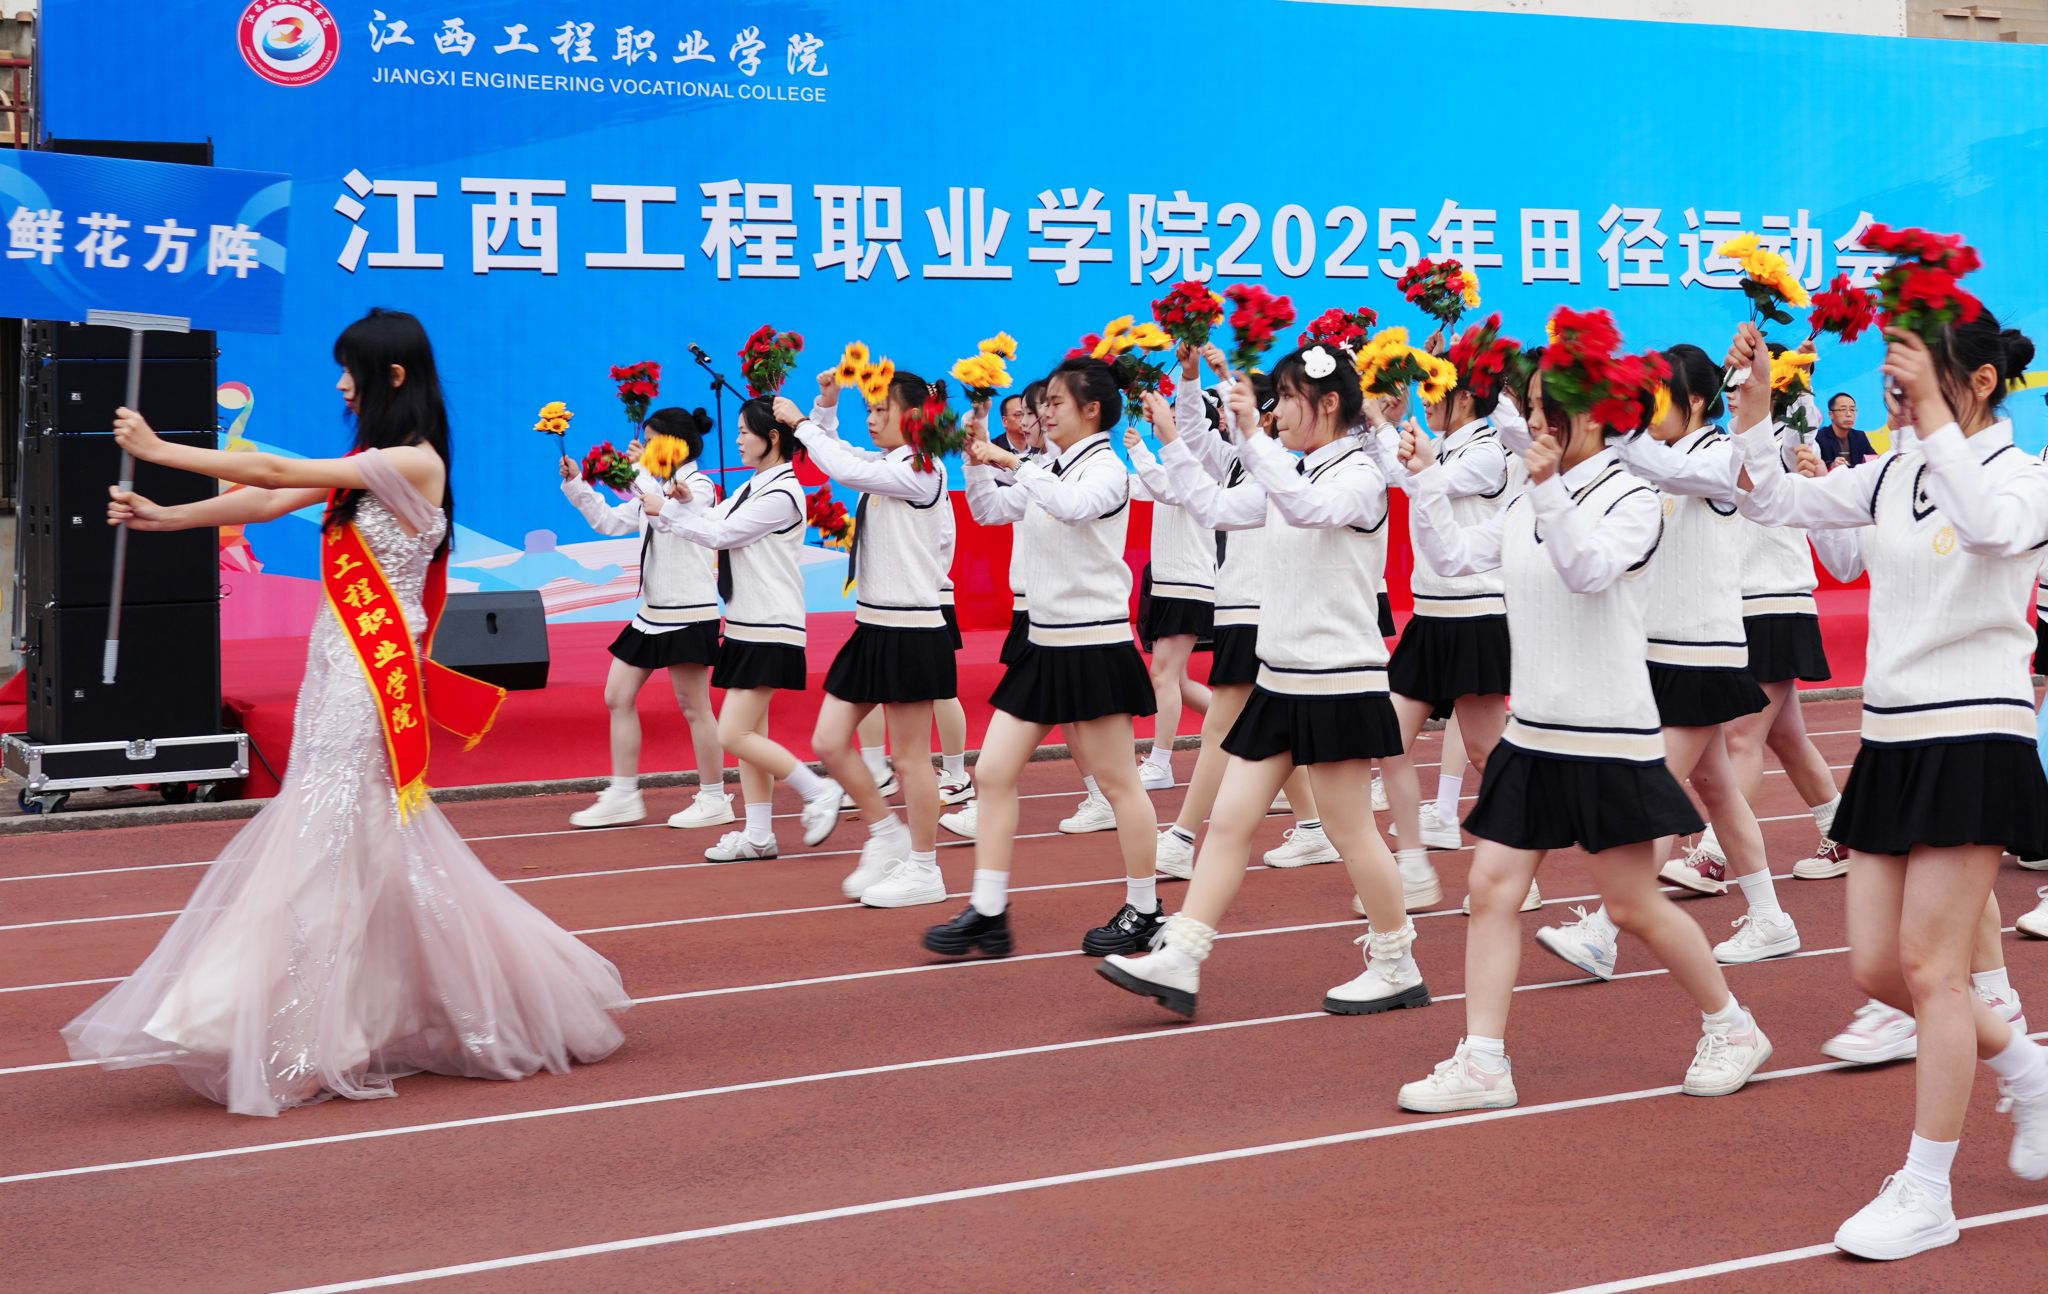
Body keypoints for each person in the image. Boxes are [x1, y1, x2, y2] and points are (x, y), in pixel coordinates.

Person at [62, 309, 628, 1117]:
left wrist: (159, 450)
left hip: (373, 672)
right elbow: (264, 503)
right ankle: (361, 1016)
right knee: (353, 834)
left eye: (350, 371)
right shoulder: (369, 468)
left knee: (332, 833)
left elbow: (267, 469)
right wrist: (166, 517)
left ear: (392, 377)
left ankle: (317, 1032)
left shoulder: (411, 461)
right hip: (337, 659)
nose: (339, 385)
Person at [1729, 316, 2048, 1260]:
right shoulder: (1894, 471)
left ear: (1979, 383)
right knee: (1875, 968)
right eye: (1892, 372)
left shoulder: (2022, 476)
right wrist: (1755, 416)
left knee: (1932, 972)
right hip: (1892, 736)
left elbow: (1988, 530)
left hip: (1973, 734)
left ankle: (1926, 1190)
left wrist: (1929, 431)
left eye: (1916, 373)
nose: (1894, 388)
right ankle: (2026, 1067)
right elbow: (1782, 509)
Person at [1393, 325, 1772, 1115]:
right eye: (1531, 407)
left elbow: (1588, 570)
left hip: (1608, 737)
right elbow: (1456, 557)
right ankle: (1484, 1061)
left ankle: (1732, 1025)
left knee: (1633, 906)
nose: (1533, 422)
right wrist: (1425, 482)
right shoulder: (1531, 497)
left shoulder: (1631, 499)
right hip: (1534, 732)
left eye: (1546, 409)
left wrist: (1543, 491)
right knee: (1492, 887)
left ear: (1594, 416)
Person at [1097, 344, 1426, 1020]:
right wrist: (1172, 442)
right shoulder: (1291, 468)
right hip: (1280, 678)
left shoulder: (1359, 476)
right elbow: (1215, 507)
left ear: (1328, 403)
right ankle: (1183, 955)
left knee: (1352, 833)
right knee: (1228, 823)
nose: (1278, 414)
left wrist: (1252, 436)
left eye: (1288, 400)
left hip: (1336, 681)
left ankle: (1397, 963)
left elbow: (1306, 508)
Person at [924, 357, 1160, 959]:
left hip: (1094, 646)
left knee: (1119, 783)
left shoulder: (1106, 470)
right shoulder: (1049, 466)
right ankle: (989, 910)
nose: (1042, 413)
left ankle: (1145, 909)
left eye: (1055, 402)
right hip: (1045, 644)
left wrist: (1012, 461)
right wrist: (978, 459)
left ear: (1093, 410)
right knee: (992, 773)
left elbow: (1073, 506)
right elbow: (989, 511)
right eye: (1042, 403)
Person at [648, 396, 843, 861]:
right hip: (745, 623)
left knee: (733, 733)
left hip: (769, 624)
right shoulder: (754, 485)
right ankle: (758, 835)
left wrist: (667, 510)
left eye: (743, 432)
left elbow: (721, 536)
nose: (736, 440)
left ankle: (819, 791)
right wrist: (682, 504)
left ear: (772, 438)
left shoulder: (782, 493)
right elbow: (713, 520)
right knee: (752, 736)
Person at [792, 373, 958, 909]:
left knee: (910, 760)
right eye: (868, 409)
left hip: (912, 631)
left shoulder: (921, 468)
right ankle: (887, 835)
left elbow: (843, 468)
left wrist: (800, 423)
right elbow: (839, 455)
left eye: (881, 409)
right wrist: (824, 406)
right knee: (828, 741)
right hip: (873, 626)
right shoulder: (889, 464)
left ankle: (926, 869)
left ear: (913, 417)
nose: (871, 418)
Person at [557, 408, 731, 832]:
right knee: (617, 695)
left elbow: (670, 511)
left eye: (652, 441)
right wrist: (577, 484)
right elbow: (609, 521)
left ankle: (714, 797)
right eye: (645, 441)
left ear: (676, 446)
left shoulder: (699, 486)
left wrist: (638, 469)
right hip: (652, 613)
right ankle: (624, 794)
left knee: (695, 707)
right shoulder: (651, 486)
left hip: (689, 612)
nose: (645, 447)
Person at [1817, 391, 1877, 468]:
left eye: (1852, 410)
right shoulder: (1820, 437)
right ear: (1831, 414)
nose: (1849, 414)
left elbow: (1873, 459)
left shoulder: (1860, 436)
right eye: (1843, 409)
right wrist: (1831, 465)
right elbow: (1816, 464)